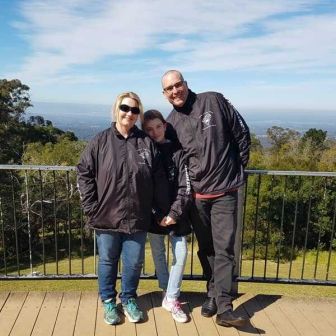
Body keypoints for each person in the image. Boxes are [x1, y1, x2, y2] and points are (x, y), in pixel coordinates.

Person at [161, 70, 251, 328]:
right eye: (169, 88)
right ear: (165, 94)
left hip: (225, 192)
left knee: (224, 249)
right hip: (197, 197)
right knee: (208, 249)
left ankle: (224, 306)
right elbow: (172, 163)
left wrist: (239, 170)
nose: (175, 91)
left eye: (178, 85)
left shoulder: (214, 100)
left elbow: (241, 133)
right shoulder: (170, 124)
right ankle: (211, 293)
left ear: (186, 85)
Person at [77, 92, 169, 325]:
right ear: (116, 109)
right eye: (125, 108)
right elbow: (84, 173)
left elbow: (158, 178)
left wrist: (161, 210)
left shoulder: (146, 143)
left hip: (137, 217)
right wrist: (91, 207)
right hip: (106, 217)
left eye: (135, 110)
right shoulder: (100, 141)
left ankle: (128, 299)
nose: (129, 113)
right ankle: (108, 301)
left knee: (134, 262)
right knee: (108, 260)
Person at [143, 109, 192, 323]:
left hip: (177, 214)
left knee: (180, 255)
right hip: (154, 216)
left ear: (165, 125)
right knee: (159, 255)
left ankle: (172, 297)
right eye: (149, 129)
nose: (155, 132)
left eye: (158, 127)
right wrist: (156, 214)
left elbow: (185, 186)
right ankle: (166, 291)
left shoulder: (178, 152)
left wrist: (174, 213)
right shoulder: (144, 152)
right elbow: (143, 188)